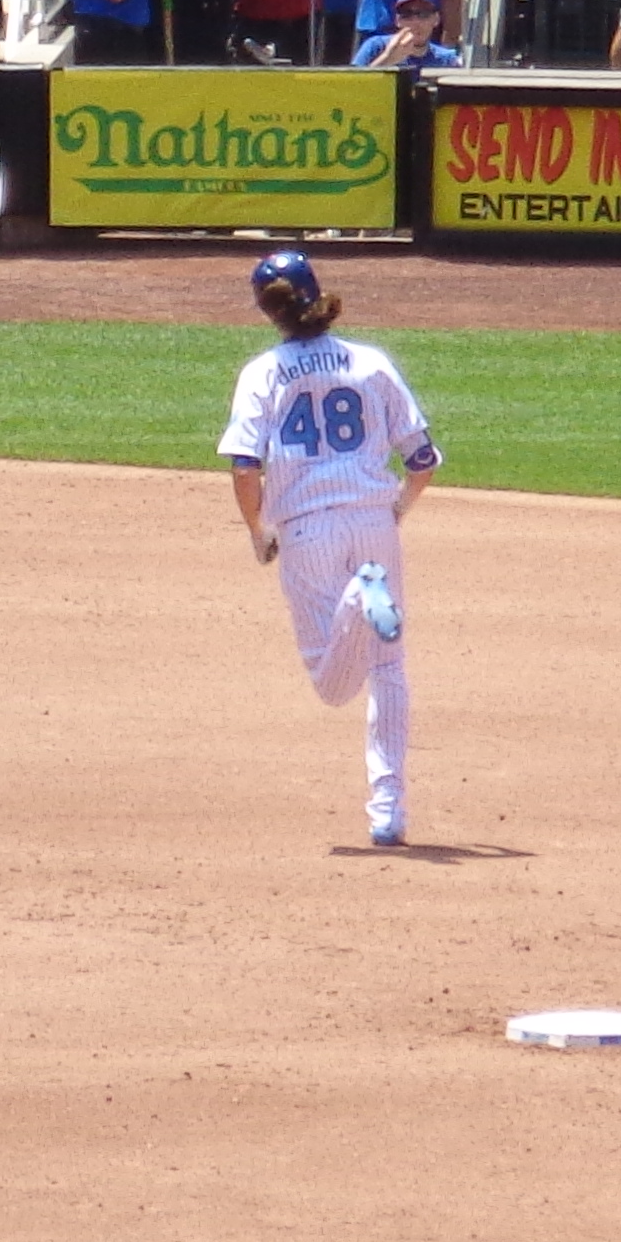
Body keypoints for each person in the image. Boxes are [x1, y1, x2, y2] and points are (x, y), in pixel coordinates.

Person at [217, 248, 439, 850]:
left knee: (332, 683)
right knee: (388, 668)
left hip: (308, 530)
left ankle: (356, 602)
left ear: (266, 310)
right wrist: (395, 509)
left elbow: (244, 467)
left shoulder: (263, 372)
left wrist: (258, 531)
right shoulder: (370, 363)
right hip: (375, 523)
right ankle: (388, 810)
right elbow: (422, 460)